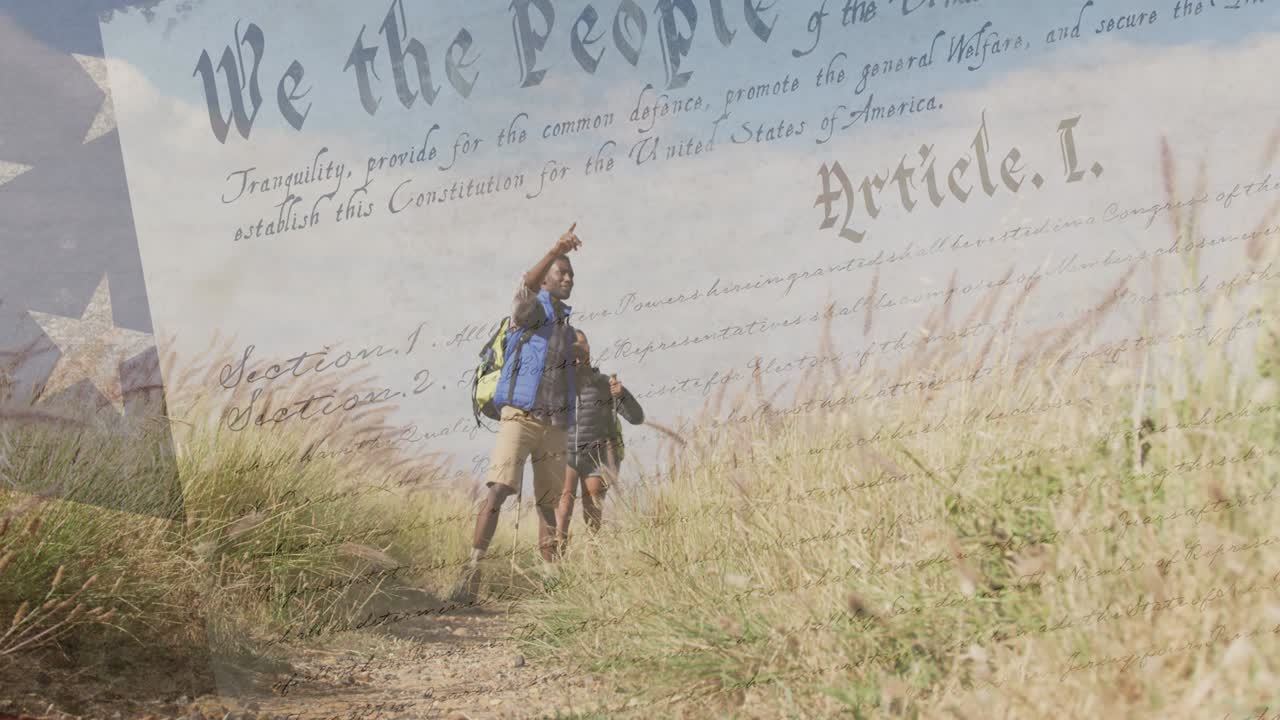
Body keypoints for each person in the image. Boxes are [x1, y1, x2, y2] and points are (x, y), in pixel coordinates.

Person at [449, 224, 581, 603]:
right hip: (519, 416)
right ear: (546, 279)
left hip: (555, 424)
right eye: (562, 272)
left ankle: (550, 583)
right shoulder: (530, 307)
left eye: (572, 274)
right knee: (499, 489)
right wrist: (554, 246)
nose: (568, 278)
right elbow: (525, 284)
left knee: (548, 505)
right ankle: (471, 572)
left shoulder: (566, 326)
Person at [555, 329, 644, 554]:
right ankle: (556, 562)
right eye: (574, 348)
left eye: (583, 347)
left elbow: (636, 418)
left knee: (593, 509)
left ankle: (592, 561)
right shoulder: (557, 384)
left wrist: (622, 395)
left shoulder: (606, 383)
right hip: (566, 454)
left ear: (589, 351)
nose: (580, 352)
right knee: (563, 506)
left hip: (597, 455)